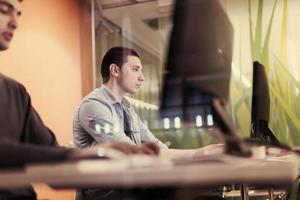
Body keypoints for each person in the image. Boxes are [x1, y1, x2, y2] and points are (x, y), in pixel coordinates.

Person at [0, 1, 159, 199]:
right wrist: (77, 155)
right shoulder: (93, 105)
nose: (15, 22)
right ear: (114, 71)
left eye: (18, 14)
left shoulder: (15, 92)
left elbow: (52, 157)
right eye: (4, 9)